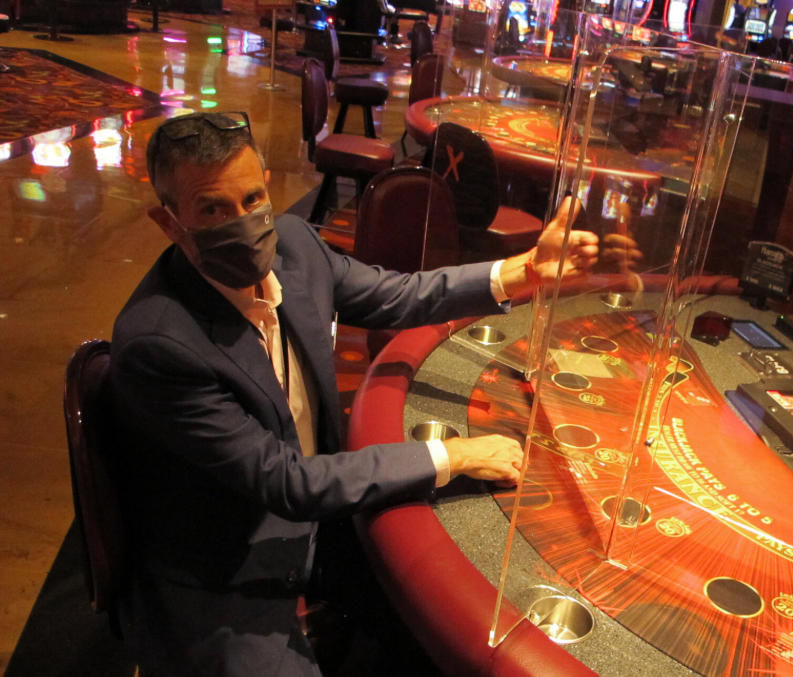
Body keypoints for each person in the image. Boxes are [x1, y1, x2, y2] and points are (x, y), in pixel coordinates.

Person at [109, 111, 599, 677]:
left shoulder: (293, 244)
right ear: (168, 222)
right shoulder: (159, 343)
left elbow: (397, 296)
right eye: (212, 210)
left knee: (460, 620)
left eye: (250, 200)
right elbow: (286, 483)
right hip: (226, 568)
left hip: (323, 520)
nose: (242, 223)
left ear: (268, 185)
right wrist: (454, 455)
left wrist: (524, 271)